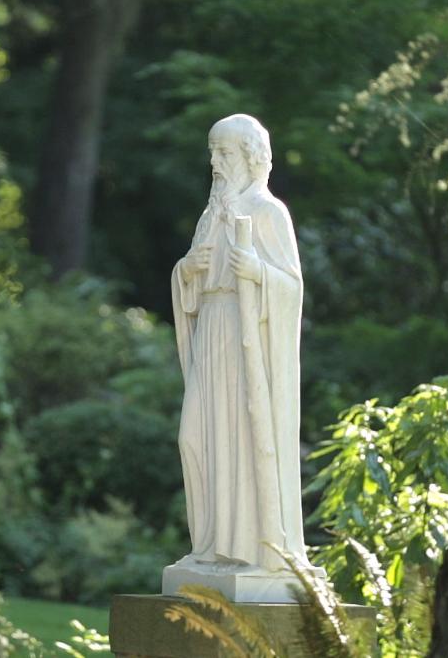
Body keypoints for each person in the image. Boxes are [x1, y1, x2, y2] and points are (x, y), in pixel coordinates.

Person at [167, 114, 313, 578]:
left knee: (245, 440)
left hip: (246, 335)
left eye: (224, 152)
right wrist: (188, 271)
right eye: (212, 152)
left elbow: (291, 287)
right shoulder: (210, 215)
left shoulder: (269, 213)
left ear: (251, 158)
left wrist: (257, 273)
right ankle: (211, 545)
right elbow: (191, 286)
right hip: (211, 332)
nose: (215, 162)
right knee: (196, 437)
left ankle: (249, 550)